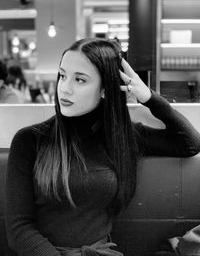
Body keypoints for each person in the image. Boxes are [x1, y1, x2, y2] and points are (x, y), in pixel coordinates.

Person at [5, 38, 200, 256]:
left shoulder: (123, 137)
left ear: (105, 89)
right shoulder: (30, 140)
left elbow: (189, 143)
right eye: (62, 75)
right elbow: (19, 229)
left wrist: (148, 97)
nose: (64, 89)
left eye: (80, 80)